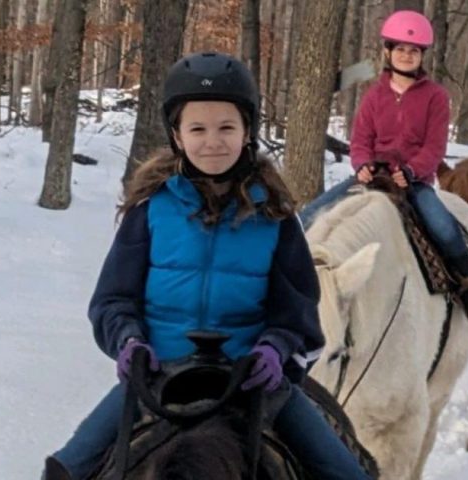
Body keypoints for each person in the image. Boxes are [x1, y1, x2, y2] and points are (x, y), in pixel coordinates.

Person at [41, 52, 371, 480]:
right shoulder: (149, 211)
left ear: (247, 131)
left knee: (348, 474)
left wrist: (274, 350)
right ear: (177, 135)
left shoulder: (276, 217)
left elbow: (299, 314)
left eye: (226, 127)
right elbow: (112, 300)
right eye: (197, 128)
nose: (212, 141)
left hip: (252, 381)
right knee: (65, 470)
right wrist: (129, 343)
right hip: (157, 376)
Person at [301, 10, 468, 327]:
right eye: (401, 49)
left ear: (422, 56)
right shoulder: (374, 95)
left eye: (414, 51)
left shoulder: (436, 97)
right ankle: (294, 283)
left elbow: (434, 147)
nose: (407, 56)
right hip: (372, 177)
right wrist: (362, 164)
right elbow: (361, 139)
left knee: (444, 228)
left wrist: (412, 171)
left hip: (412, 181)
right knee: (308, 216)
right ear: (388, 51)